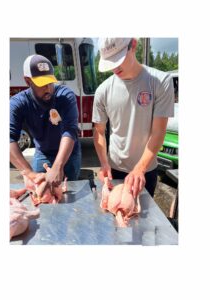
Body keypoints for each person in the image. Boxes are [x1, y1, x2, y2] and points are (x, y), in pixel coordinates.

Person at [92, 38, 174, 198]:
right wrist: (104, 163)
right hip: (114, 169)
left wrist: (139, 169)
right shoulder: (103, 91)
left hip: (145, 170)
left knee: (141, 219)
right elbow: (99, 132)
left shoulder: (160, 82)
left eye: (118, 59)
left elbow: (158, 132)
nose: (114, 67)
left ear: (133, 45)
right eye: (110, 62)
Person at [10, 54, 81, 195]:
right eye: (42, 84)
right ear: (27, 81)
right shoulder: (18, 103)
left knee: (67, 194)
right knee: (41, 195)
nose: (48, 88)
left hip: (69, 154)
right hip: (43, 153)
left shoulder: (65, 96)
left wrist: (58, 166)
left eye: (50, 82)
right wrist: (29, 173)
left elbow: (70, 130)